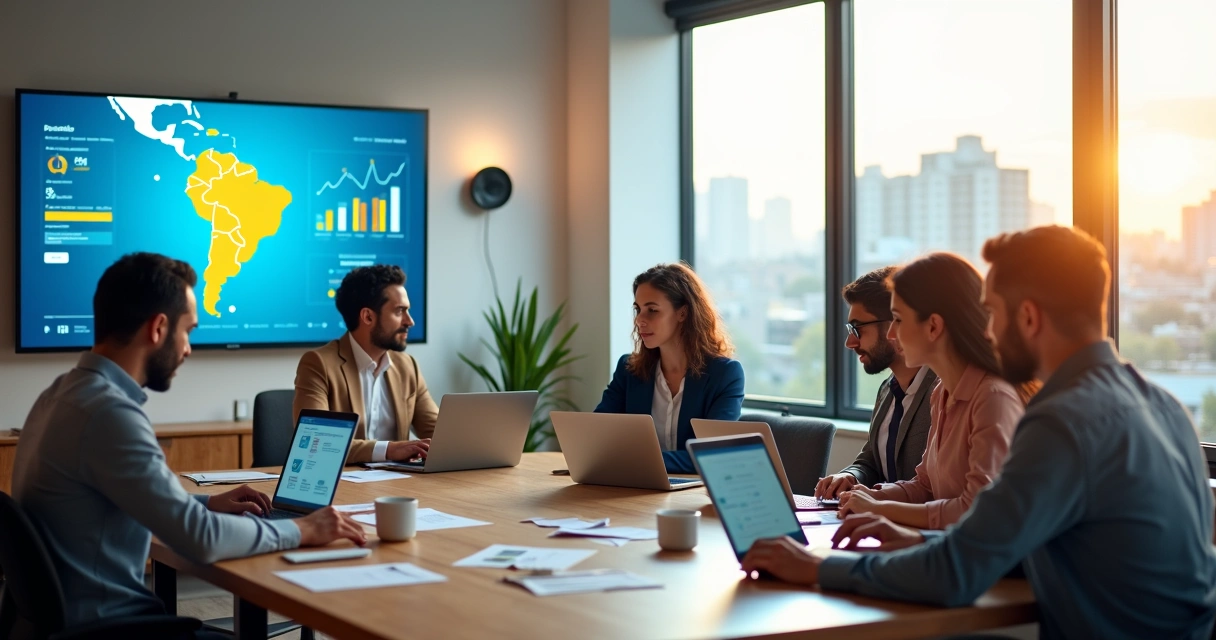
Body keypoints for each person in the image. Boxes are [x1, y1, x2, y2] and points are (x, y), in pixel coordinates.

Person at [740, 226, 1216, 639]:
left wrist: (816, 566)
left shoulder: (1062, 422)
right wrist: (918, 541)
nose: (985, 331)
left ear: (1028, 317)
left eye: (992, 313)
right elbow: (1017, 543)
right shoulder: (1164, 406)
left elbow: (956, 573)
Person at [12, 253, 366, 634]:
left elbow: (125, 498)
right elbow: (202, 538)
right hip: (112, 626)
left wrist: (208, 502)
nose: (188, 349)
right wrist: (303, 530)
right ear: (158, 328)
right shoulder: (109, 414)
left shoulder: (60, 394)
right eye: (189, 331)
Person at [836, 253, 1026, 530]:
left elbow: (978, 511)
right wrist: (870, 496)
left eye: (898, 320)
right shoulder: (942, 392)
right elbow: (925, 485)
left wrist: (880, 508)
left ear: (934, 326)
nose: (892, 334)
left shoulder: (993, 397)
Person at [595, 263, 743, 473]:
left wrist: (636, 460)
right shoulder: (628, 370)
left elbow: (711, 454)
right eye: (638, 309)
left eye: (652, 310)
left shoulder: (725, 375)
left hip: (694, 489)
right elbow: (596, 438)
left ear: (682, 313)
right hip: (633, 484)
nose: (639, 320)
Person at [815, 267, 937, 499]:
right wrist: (850, 476)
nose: (850, 342)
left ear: (895, 323)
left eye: (858, 329)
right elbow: (871, 461)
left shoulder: (944, 391)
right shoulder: (887, 390)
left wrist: (877, 500)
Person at [294, 265, 434, 463]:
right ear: (368, 316)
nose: (409, 321)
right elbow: (316, 442)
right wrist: (389, 450)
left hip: (400, 480)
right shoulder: (319, 364)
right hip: (343, 480)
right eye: (399, 311)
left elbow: (439, 431)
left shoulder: (407, 366)